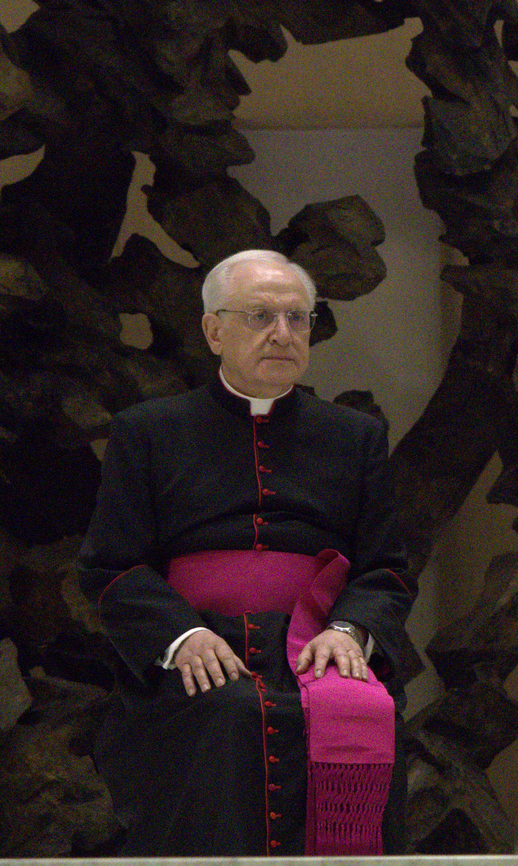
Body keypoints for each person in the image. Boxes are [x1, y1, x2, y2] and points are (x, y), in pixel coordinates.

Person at [79, 249, 414, 856]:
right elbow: (111, 565)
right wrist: (181, 637)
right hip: (198, 647)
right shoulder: (148, 431)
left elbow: (385, 566)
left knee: (363, 710)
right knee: (228, 712)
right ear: (213, 330)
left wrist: (349, 627)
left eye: (298, 318)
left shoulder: (355, 436)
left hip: (315, 644)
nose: (282, 334)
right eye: (260, 316)